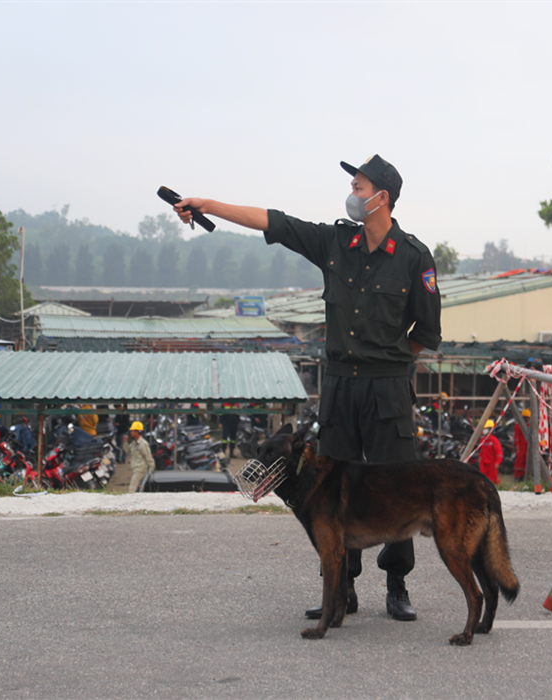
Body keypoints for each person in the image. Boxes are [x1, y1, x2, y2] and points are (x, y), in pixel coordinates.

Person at [173, 154, 441, 624]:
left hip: (388, 392)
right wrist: (208, 205)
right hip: (339, 388)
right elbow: (273, 221)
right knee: (333, 489)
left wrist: (390, 364)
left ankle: (397, 585)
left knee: (397, 487)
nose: (352, 194)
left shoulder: (415, 257)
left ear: (383, 197)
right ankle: (343, 589)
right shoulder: (335, 241)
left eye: (358, 187)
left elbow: (428, 332)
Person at [125, 421, 155, 493]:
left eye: (132, 430)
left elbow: (148, 457)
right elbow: (128, 451)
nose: (131, 432)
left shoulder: (143, 444)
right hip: (136, 468)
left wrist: (152, 468)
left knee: (132, 487)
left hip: (141, 469)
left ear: (137, 432)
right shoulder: (134, 443)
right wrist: (125, 442)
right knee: (138, 487)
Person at [478, 419, 503, 485]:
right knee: (483, 480)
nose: (485, 430)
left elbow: (499, 453)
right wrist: (480, 457)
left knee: (493, 481)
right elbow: (481, 450)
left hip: (492, 464)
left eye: (486, 428)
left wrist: (497, 462)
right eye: (484, 428)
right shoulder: (482, 440)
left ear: (490, 429)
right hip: (483, 463)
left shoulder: (494, 440)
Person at [514, 408, 530, 480]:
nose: (525, 419)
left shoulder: (531, 425)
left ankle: (527, 476)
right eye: (524, 417)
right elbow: (516, 437)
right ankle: (518, 477)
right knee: (519, 462)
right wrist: (517, 446)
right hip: (521, 447)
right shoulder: (518, 425)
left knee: (528, 462)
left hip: (528, 446)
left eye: (526, 418)